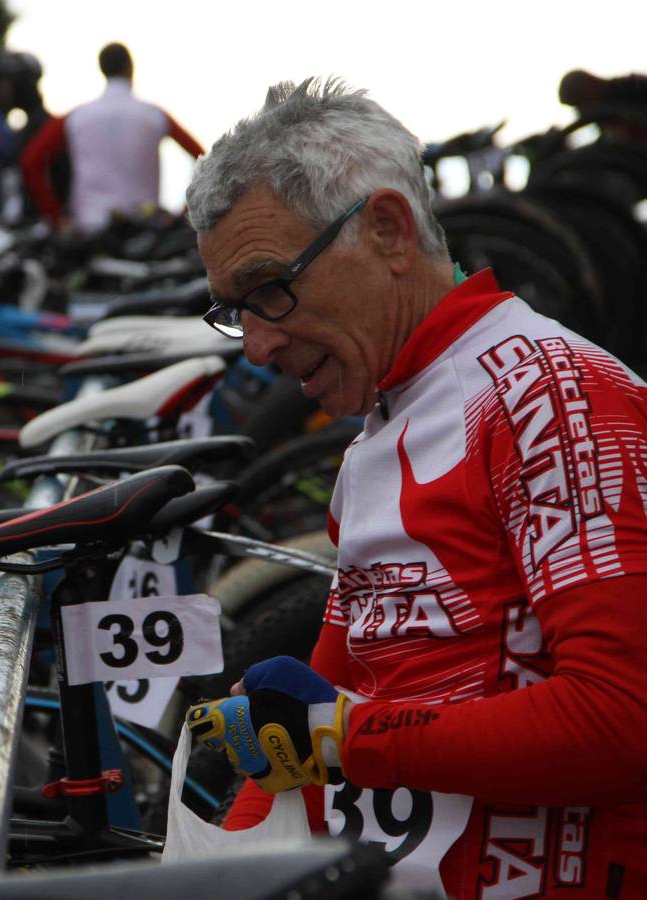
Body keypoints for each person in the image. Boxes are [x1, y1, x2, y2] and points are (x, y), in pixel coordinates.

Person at [184, 77, 647, 897]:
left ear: (389, 230)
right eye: (233, 310)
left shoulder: (552, 397)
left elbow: (623, 715)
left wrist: (349, 739)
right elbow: (308, 726)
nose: (254, 345)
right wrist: (226, 867)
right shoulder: (382, 429)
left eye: (269, 289)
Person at [21, 42, 203, 232]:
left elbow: (30, 161)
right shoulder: (155, 115)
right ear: (130, 67)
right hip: (146, 230)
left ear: (102, 69)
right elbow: (203, 158)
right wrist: (183, 214)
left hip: (89, 229)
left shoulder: (76, 117)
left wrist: (55, 217)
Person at [0, 50, 67, 225]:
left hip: (42, 231)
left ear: (20, 85)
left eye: (5, 83)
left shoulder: (42, 129)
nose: (1, 90)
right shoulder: (26, 129)